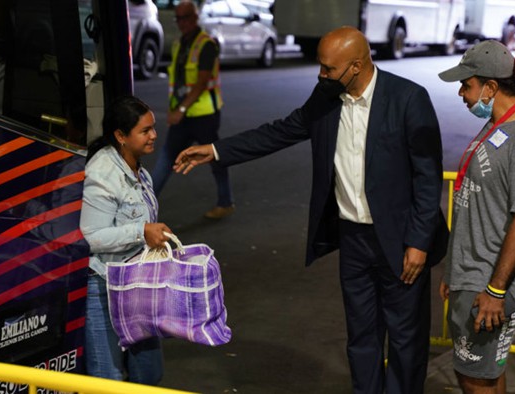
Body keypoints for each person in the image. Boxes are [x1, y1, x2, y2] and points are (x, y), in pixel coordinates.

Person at [173, 27, 449, 394]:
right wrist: (216, 150)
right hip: (353, 240)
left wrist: (419, 241)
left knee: (405, 339)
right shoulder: (326, 97)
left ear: (356, 66)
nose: (321, 75)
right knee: (361, 337)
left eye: (328, 69)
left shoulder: (408, 98)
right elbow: (279, 132)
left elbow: (428, 178)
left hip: (401, 242)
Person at [436, 40, 515, 393]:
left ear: (490, 87)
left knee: (476, 379)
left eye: (467, 84)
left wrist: (495, 290)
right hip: (471, 275)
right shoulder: (495, 126)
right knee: (481, 373)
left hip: (490, 285)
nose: (461, 93)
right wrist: (454, 270)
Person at [79, 95, 172, 384]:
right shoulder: (103, 173)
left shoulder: (139, 171)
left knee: (149, 373)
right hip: (104, 288)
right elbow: (91, 237)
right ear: (121, 136)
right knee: (109, 379)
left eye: (153, 128)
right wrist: (142, 231)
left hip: (136, 288)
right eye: (145, 131)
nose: (154, 135)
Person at [151, 0, 234, 219]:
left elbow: (201, 82)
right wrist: (176, 109)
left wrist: (181, 109)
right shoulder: (180, 43)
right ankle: (145, 205)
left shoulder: (206, 44)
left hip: (204, 115)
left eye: (186, 17)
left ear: (195, 18)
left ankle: (225, 202)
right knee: (167, 157)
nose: (182, 23)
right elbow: (178, 82)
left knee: (215, 158)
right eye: (178, 18)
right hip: (184, 115)